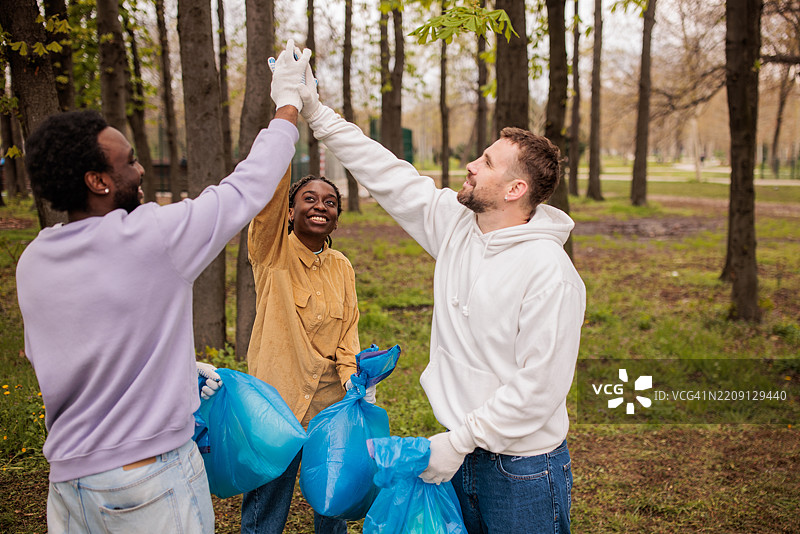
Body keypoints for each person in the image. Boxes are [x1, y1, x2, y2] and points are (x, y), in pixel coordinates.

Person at [273, 60, 586, 533]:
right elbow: (385, 171)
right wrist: (316, 112)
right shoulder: (457, 227)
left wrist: (458, 441)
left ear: (515, 189)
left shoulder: (550, 273)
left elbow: (538, 391)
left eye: (486, 163)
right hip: (455, 457)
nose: (471, 165)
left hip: (520, 471)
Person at [15, 40, 309, 533]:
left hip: (70, 486)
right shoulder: (151, 236)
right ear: (97, 181)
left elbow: (50, 355)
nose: (141, 168)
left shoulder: (34, 259)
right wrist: (288, 104)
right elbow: (246, 187)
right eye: (128, 162)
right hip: (146, 479)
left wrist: (169, 368)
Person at [240, 125, 366, 534]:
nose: (320, 206)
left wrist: (354, 378)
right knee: (266, 506)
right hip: (276, 405)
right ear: (290, 211)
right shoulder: (271, 253)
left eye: (330, 202)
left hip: (329, 409)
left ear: (336, 216)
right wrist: (286, 127)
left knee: (332, 503)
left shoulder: (342, 266)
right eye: (308, 199)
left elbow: (348, 332)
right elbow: (267, 206)